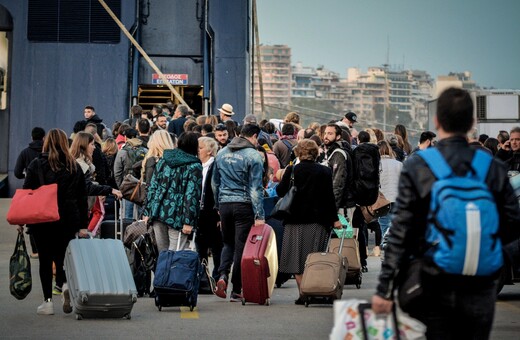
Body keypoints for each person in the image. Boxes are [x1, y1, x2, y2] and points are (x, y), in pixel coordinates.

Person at [372, 88, 520, 339]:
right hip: (481, 281)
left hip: (434, 277)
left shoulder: (420, 164)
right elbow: (512, 224)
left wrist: (385, 287)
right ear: (472, 123)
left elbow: (401, 229)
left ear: (437, 122)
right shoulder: (493, 167)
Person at [21, 128, 88, 315]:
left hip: (43, 219)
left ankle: (48, 303)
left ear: (46, 143)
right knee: (62, 257)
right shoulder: (74, 166)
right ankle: (65, 285)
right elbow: (82, 197)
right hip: (68, 218)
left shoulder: (36, 165)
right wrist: (83, 224)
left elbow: (27, 192)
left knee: (45, 260)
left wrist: (23, 218)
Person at [276, 139, 342, 305]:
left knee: (296, 260)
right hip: (317, 222)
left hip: (294, 221)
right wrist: (335, 220)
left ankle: (303, 293)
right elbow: (329, 198)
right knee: (314, 258)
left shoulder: (292, 170)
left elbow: (280, 191)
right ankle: (315, 289)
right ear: (316, 153)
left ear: (298, 152)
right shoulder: (324, 171)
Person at [212, 124, 265, 301]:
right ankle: (236, 289)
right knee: (241, 246)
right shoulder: (253, 155)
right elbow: (255, 188)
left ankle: (222, 276)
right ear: (254, 136)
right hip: (244, 205)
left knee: (227, 243)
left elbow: (214, 183)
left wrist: (218, 205)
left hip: (225, 204)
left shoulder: (221, 153)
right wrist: (259, 215)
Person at [143, 132, 202, 252]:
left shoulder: (164, 160)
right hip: (178, 214)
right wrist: (188, 221)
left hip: (158, 211)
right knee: (176, 254)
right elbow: (191, 194)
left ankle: (163, 271)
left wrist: (148, 211)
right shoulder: (194, 165)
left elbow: (153, 186)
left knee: (163, 253)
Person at [14, 126, 45, 258]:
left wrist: (25, 176)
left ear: (32, 137)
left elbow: (16, 172)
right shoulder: (47, 151)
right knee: (45, 217)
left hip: (31, 190)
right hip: (46, 190)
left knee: (32, 220)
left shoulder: (25, 153)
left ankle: (35, 250)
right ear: (44, 138)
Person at [196, 137, 223, 281]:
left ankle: (217, 276)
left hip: (212, 213)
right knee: (201, 247)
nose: (198, 150)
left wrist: (219, 215)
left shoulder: (216, 167)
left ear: (209, 151)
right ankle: (203, 278)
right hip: (199, 213)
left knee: (216, 246)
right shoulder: (197, 166)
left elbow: (218, 190)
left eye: (200, 148)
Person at [376, 140, 402, 248]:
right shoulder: (399, 164)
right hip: (396, 197)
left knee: (383, 223)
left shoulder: (377, 164)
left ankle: (385, 243)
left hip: (383, 198)